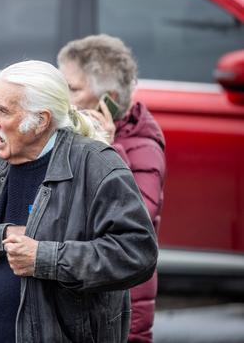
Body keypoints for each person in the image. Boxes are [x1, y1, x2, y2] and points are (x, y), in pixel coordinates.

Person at [0, 60, 158, 343]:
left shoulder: (97, 165)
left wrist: (44, 258)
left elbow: (136, 254)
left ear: (41, 121)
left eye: (2, 111)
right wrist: (3, 235)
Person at [58, 34, 166, 343]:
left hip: (124, 303)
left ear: (110, 100)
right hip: (90, 289)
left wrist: (107, 148)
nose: (63, 98)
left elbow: (135, 216)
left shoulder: (142, 147)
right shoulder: (76, 136)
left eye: (73, 89)